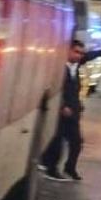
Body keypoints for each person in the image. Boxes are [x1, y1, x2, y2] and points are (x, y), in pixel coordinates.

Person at [41, 40, 86, 182]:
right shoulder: (58, 68)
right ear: (68, 51)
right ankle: (51, 168)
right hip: (60, 112)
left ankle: (70, 167)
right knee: (57, 141)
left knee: (76, 142)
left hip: (73, 111)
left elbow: (74, 90)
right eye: (76, 52)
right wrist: (62, 106)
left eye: (81, 53)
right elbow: (55, 90)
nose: (79, 56)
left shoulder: (75, 68)